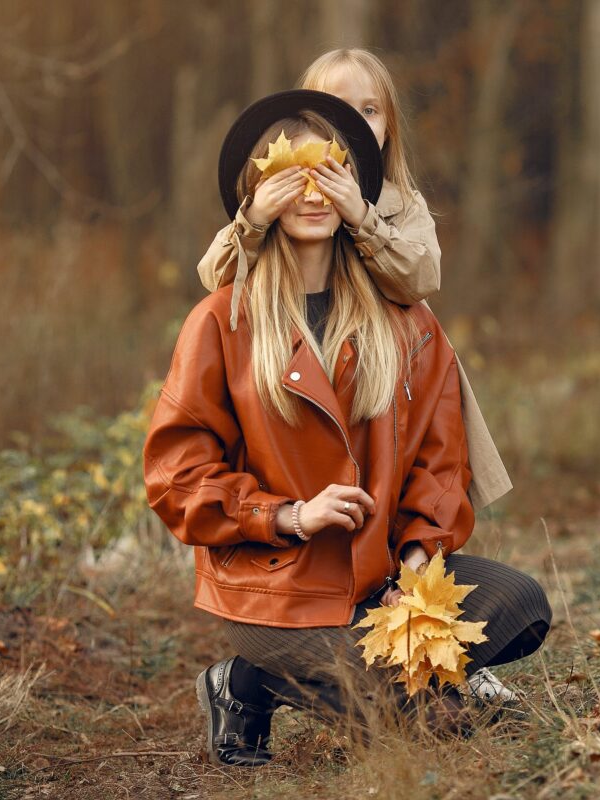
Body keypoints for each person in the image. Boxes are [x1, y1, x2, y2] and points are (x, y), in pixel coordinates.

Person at [143, 90, 551, 768]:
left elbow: (439, 461)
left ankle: (379, 685)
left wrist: (419, 561)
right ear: (258, 192)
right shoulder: (223, 320)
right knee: (409, 712)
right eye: (292, 174)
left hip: (376, 577)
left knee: (521, 604)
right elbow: (176, 477)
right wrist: (292, 515)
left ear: (353, 186)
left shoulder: (404, 321)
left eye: (328, 172)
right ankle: (247, 678)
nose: (312, 192)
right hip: (278, 584)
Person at [195, 48, 512, 516]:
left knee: (404, 460)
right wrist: (256, 218)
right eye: (339, 108)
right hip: (302, 345)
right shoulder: (280, 193)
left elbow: (420, 278)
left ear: (388, 129)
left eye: (370, 110)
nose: (356, 123)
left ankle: (410, 528)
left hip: (382, 361)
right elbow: (215, 278)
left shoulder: (397, 202)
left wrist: (363, 218)